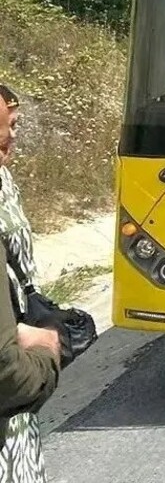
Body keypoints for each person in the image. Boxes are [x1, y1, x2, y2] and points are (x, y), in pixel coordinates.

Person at [0, 83, 62, 483]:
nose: (13, 136)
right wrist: (46, 359)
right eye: (10, 125)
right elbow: (4, 368)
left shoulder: (5, 181)